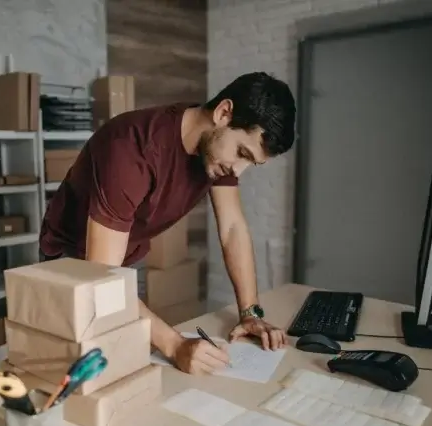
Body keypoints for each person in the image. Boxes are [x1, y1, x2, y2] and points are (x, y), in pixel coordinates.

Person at [40, 72, 297, 375]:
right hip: (69, 263)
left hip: (120, 260)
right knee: (76, 376)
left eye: (250, 162)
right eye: (241, 153)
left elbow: (233, 229)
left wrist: (250, 313)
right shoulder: (132, 150)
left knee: (125, 365)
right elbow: (101, 279)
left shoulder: (214, 146)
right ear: (223, 113)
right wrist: (174, 345)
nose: (237, 172)